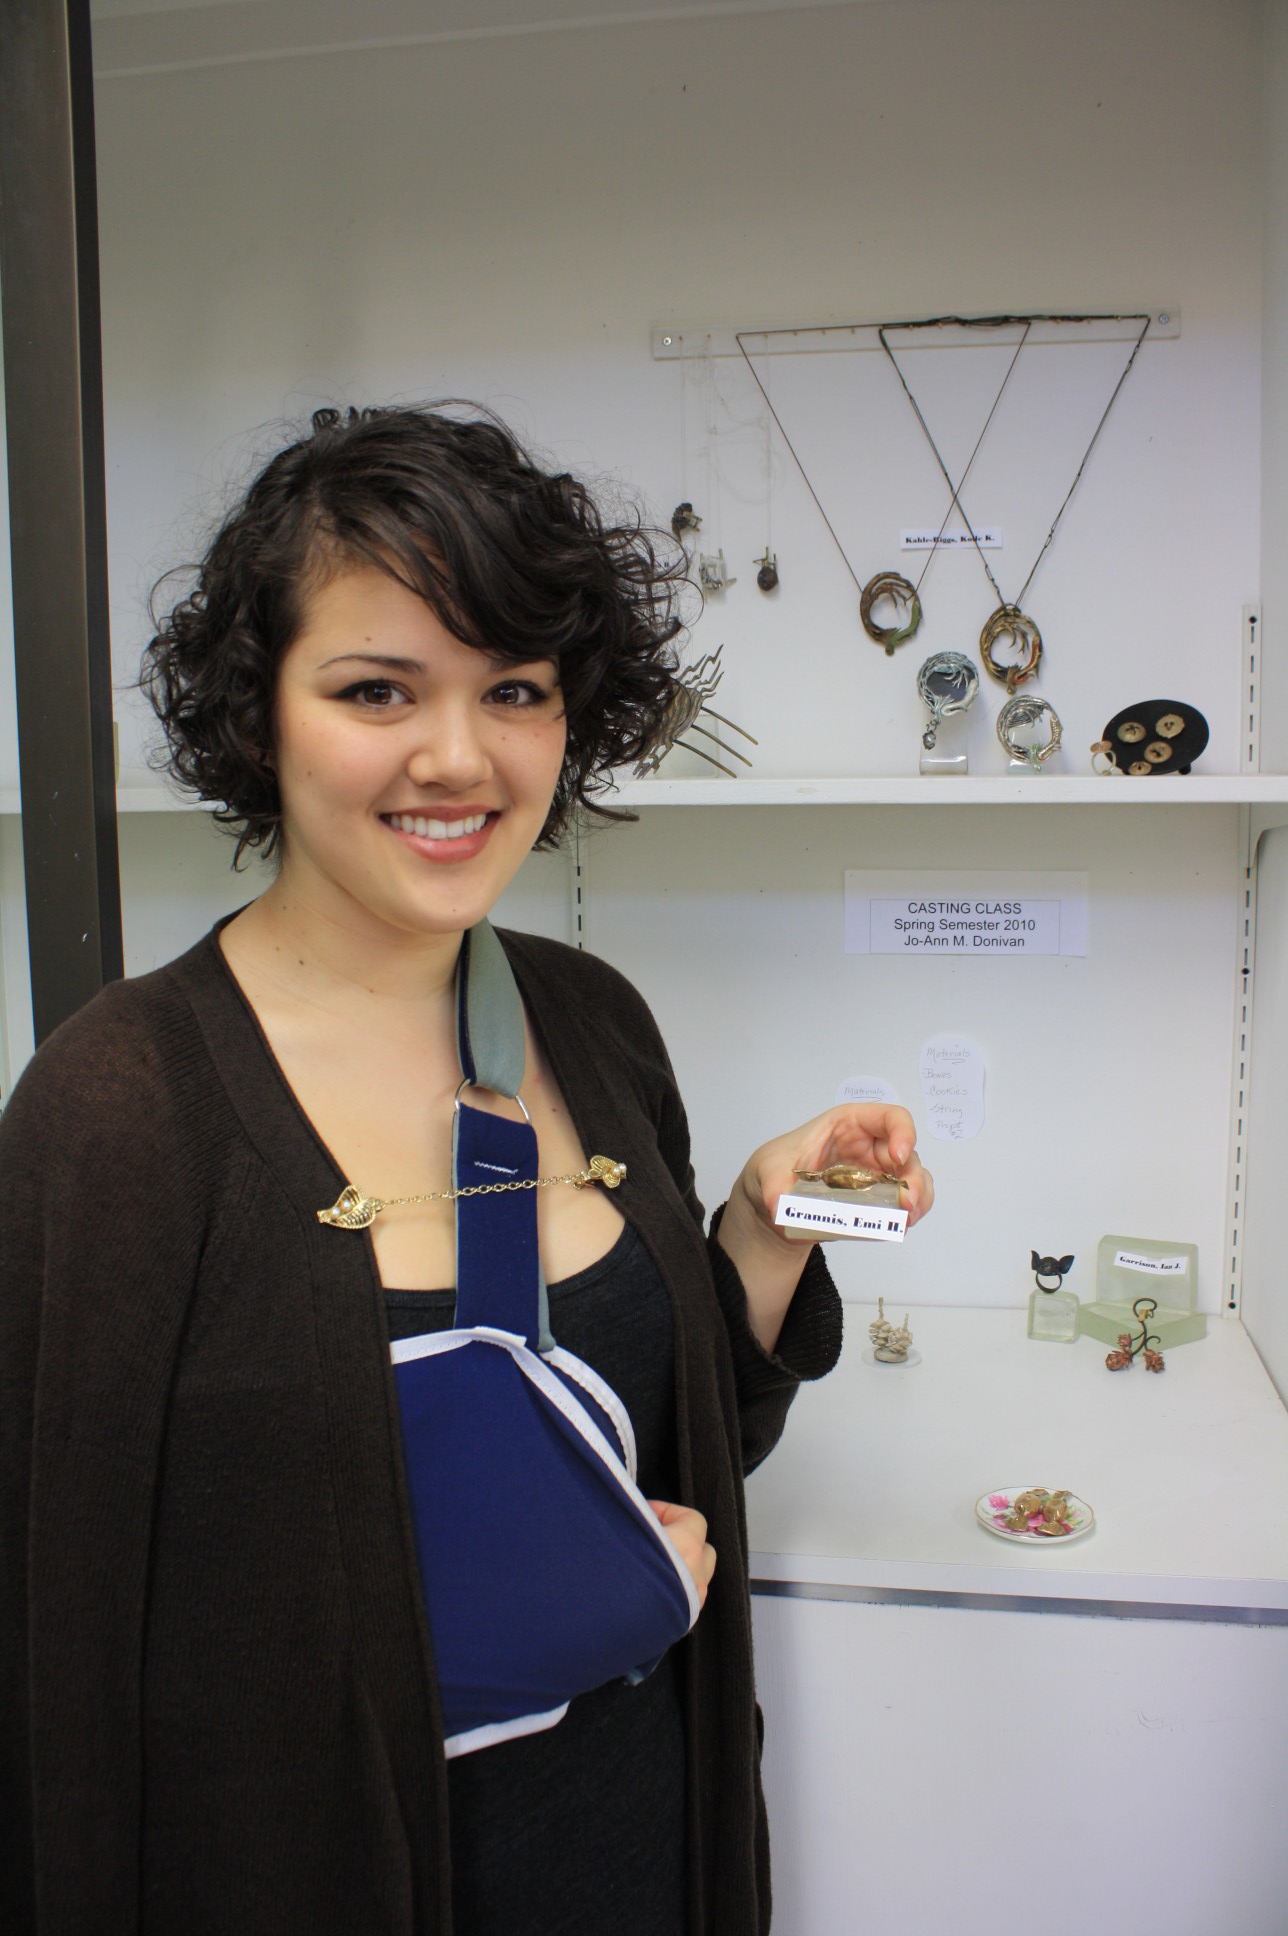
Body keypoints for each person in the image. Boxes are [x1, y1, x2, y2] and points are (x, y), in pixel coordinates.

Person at [0, 405, 932, 1935]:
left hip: (643, 1866)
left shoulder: (590, 1024)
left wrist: (763, 1236)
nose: (457, 756)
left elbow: (660, 1460)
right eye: (376, 689)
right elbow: (63, 1653)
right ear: (259, 714)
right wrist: (531, 1613)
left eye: (515, 690)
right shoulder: (122, 1109)